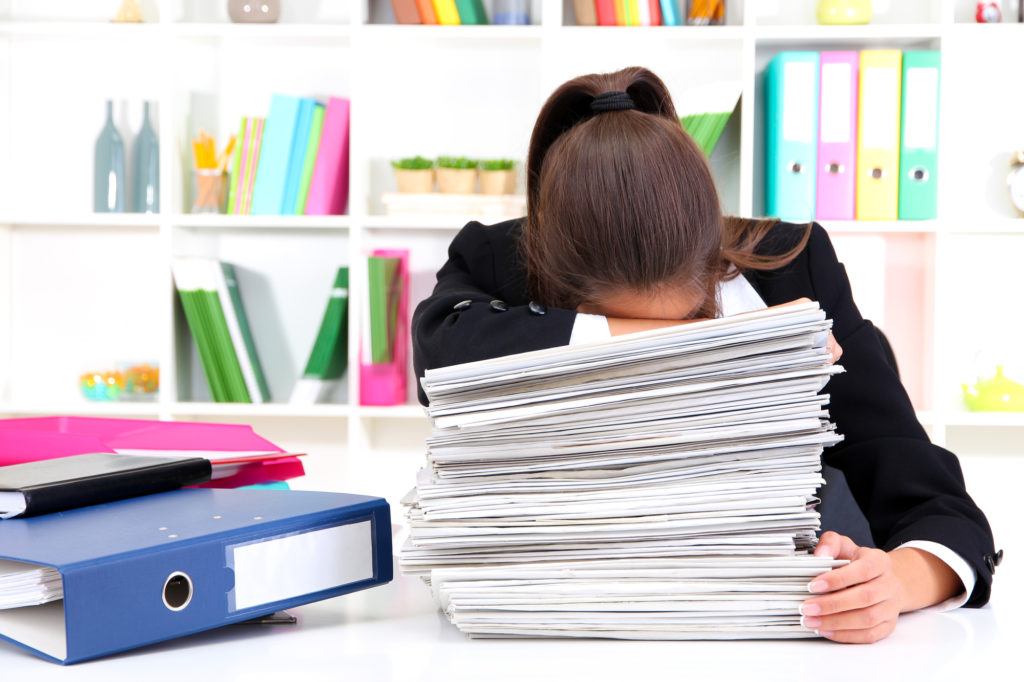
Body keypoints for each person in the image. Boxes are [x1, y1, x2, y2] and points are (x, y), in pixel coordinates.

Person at [411, 67, 998, 644]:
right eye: (629, 325)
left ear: (715, 258)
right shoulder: (500, 260)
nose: (679, 360)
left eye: (693, 322)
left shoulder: (790, 265)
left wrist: (897, 581)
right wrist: (745, 346)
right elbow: (443, 355)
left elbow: (927, 493)